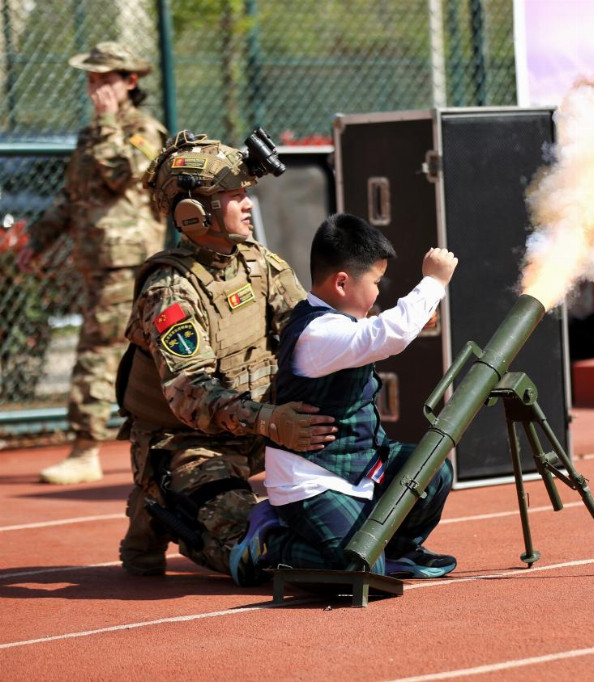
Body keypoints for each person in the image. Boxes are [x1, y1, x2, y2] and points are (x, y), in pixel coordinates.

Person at [117, 129, 337, 578]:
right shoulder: (171, 291)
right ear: (194, 213)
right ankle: (159, 498)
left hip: (260, 431)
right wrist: (270, 420)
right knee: (261, 550)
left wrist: (380, 327)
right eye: (235, 196)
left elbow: (312, 336)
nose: (248, 205)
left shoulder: (259, 264)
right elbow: (189, 393)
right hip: (189, 443)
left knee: (359, 507)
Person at [228, 213, 459, 586]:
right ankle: (273, 542)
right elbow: (390, 335)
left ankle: (396, 550)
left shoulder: (340, 325)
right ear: (341, 282)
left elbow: (382, 333)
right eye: (376, 282)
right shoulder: (318, 333)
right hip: (312, 483)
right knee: (361, 571)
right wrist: (433, 281)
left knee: (432, 468)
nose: (379, 292)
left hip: (361, 467)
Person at [17, 41, 168, 485]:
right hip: (96, 259)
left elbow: (121, 175)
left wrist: (105, 122)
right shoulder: (92, 133)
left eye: (106, 80)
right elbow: (72, 196)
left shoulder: (143, 128)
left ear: (130, 82)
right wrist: (39, 239)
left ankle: (85, 449)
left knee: (96, 352)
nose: (96, 89)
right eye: (92, 80)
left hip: (125, 261)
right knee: (128, 352)